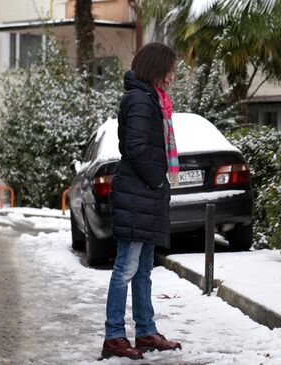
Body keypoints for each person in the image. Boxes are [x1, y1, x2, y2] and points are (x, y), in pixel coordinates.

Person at [102, 42, 182, 360]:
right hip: (139, 192)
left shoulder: (153, 99)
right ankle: (114, 335)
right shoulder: (139, 99)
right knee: (126, 268)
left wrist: (156, 183)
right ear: (157, 69)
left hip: (145, 195)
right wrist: (156, 179)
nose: (174, 76)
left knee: (144, 269)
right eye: (171, 70)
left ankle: (146, 331)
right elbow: (134, 147)